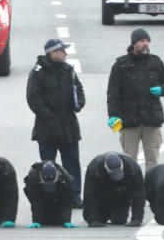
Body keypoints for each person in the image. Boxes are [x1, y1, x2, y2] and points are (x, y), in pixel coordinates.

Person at [26, 38, 86, 208]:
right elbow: (33, 97)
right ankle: (48, 195)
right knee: (48, 166)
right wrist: (47, 115)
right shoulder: (38, 72)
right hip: (47, 128)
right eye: (62, 51)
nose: (65, 54)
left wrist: (79, 103)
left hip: (69, 127)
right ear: (53, 53)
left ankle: (74, 195)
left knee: (72, 163)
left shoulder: (68, 70)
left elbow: (78, 90)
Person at [107, 28, 164, 170]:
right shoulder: (121, 65)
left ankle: (151, 189)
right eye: (142, 41)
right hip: (129, 121)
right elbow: (113, 93)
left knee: (153, 160)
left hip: (152, 119)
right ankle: (133, 190)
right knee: (129, 161)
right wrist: (113, 116)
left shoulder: (155, 62)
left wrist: (162, 89)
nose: (145, 44)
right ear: (134, 44)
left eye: (147, 41)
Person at [82, 152, 145, 228]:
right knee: (97, 219)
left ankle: (115, 212)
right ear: (106, 168)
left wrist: (137, 218)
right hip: (102, 197)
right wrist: (93, 219)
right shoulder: (93, 168)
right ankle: (101, 214)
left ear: (122, 166)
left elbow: (139, 194)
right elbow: (90, 194)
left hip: (121, 196)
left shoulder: (133, 168)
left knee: (119, 220)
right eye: (113, 174)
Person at [23, 160, 78, 228]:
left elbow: (66, 201)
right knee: (44, 220)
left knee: (58, 221)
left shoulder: (65, 178)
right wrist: (36, 221)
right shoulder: (32, 177)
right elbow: (36, 201)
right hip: (39, 192)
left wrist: (66, 221)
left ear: (58, 175)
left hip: (58, 195)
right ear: (40, 176)